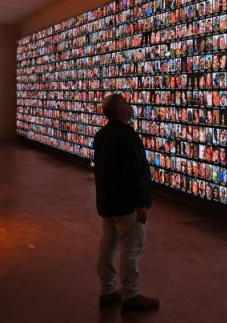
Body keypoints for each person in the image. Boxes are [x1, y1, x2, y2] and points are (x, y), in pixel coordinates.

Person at [93, 94, 158, 310]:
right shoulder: (126, 137)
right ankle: (131, 295)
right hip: (126, 205)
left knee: (108, 245)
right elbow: (133, 173)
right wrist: (140, 205)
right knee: (131, 249)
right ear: (121, 111)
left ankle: (108, 290)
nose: (131, 107)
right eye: (127, 104)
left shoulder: (102, 135)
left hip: (107, 203)